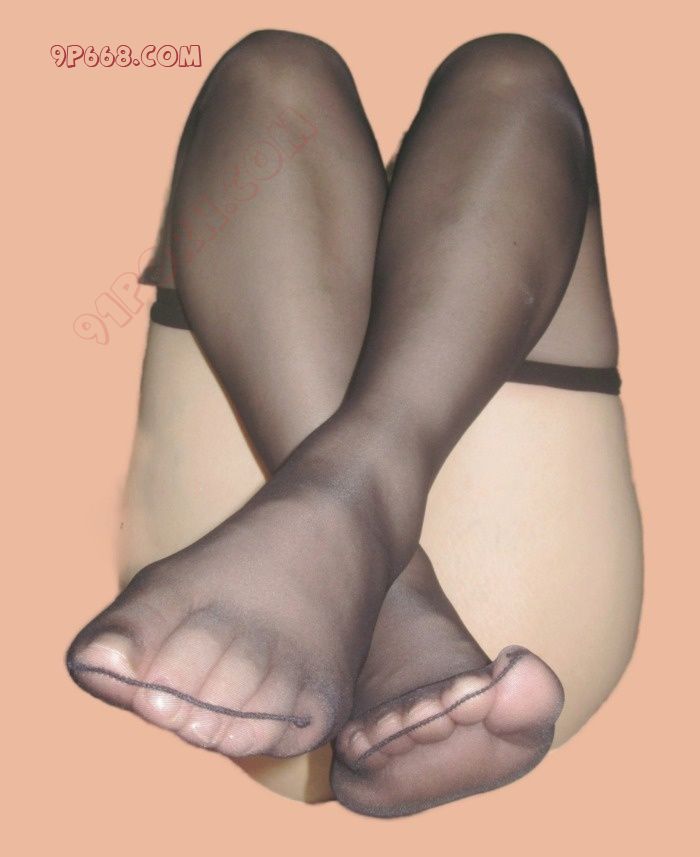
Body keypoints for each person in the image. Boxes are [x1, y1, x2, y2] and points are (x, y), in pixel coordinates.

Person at [67, 30, 643, 817]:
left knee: (273, 73)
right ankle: (383, 566)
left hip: (250, 626)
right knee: (512, 74)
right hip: (514, 631)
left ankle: (347, 515)